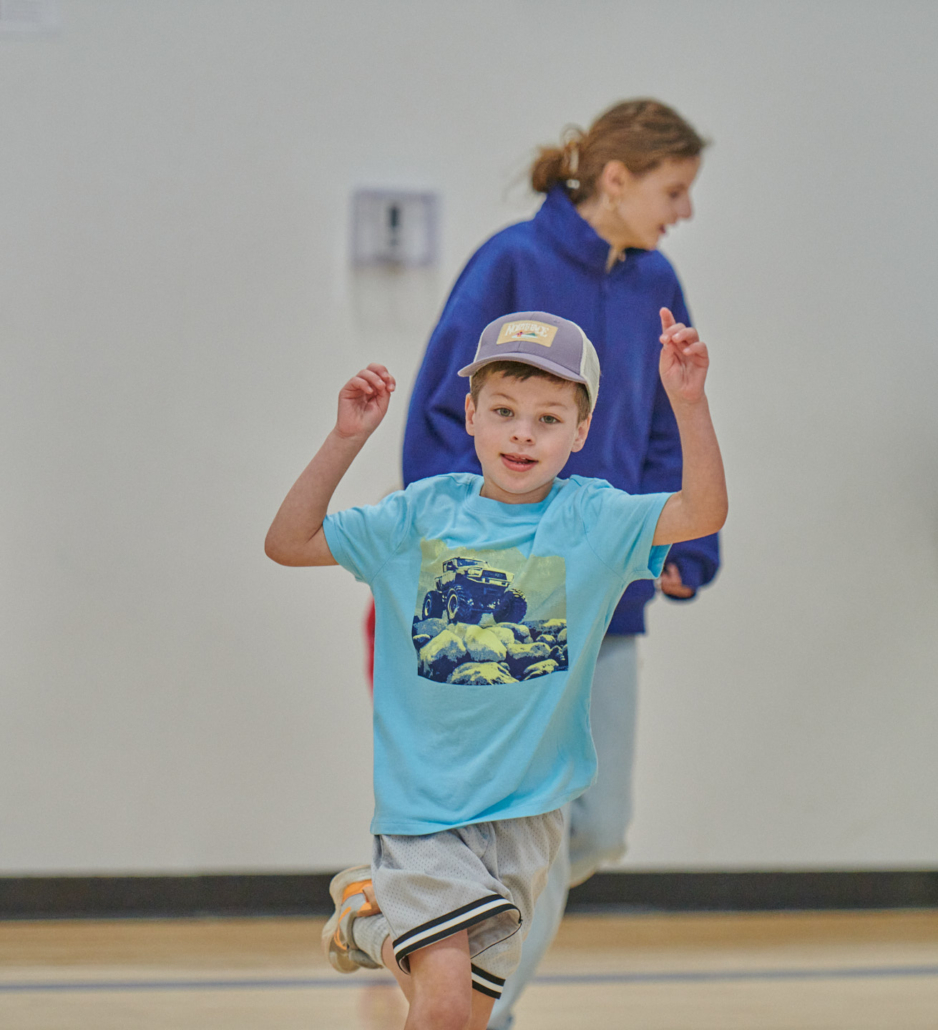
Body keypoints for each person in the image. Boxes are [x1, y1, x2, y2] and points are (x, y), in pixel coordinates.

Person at [265, 308, 727, 1030]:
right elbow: (288, 541)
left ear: (580, 433)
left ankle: (371, 923)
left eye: (548, 419)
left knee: (456, 1013)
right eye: (505, 411)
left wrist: (689, 403)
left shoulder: (595, 520)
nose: (522, 434)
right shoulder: (419, 516)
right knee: (447, 1005)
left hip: (526, 822)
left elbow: (702, 511)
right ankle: (379, 918)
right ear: (470, 416)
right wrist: (346, 438)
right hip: (426, 815)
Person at [400, 98, 721, 1028]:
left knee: (595, 827)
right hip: (503, 598)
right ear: (617, 179)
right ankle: (479, 1008)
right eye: (675, 189)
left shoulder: (657, 280)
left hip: (608, 600)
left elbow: (664, 432)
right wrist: (478, 548)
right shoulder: (511, 263)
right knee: (520, 821)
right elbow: (441, 417)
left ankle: (416, 909)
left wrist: (682, 544)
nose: (686, 210)